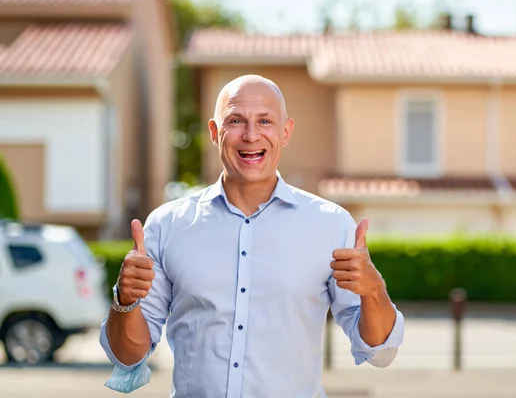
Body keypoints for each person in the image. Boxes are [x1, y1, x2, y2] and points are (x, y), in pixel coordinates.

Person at [99, 74, 404, 397]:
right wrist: (125, 302)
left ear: (285, 132)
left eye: (265, 121)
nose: (251, 134)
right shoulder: (167, 225)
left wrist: (373, 291)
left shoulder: (331, 224)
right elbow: (127, 357)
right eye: (235, 120)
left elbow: (380, 353)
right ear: (215, 133)